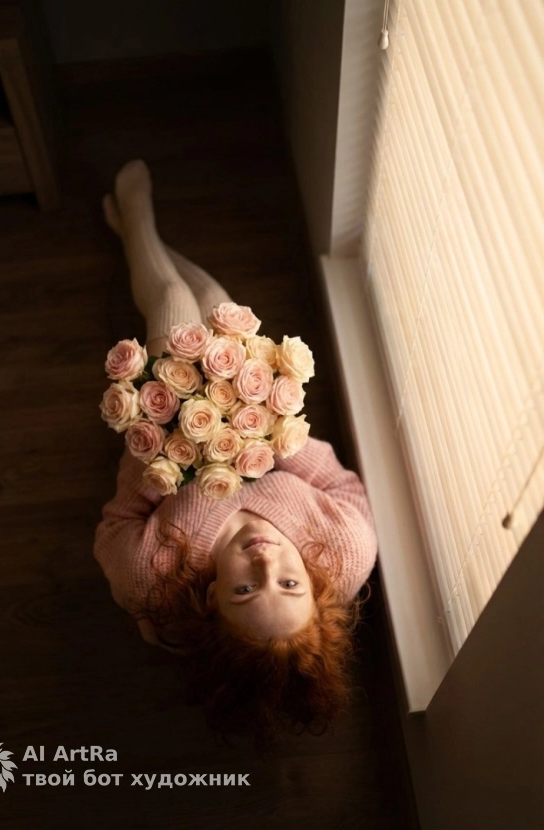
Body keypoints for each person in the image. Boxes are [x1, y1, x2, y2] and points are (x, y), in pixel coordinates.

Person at [94, 160, 378, 746]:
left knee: (173, 300)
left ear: (211, 603)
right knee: (215, 300)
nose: (266, 562)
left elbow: (116, 522)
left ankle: (137, 219)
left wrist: (162, 457)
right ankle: (138, 233)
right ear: (316, 593)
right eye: (290, 585)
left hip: (166, 428)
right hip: (252, 421)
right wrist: (276, 438)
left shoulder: (150, 577)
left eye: (246, 589)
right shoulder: (346, 553)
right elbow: (343, 486)